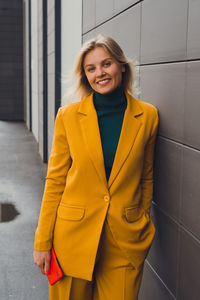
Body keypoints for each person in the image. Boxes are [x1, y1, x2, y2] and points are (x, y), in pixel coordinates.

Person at [33, 34, 159, 300]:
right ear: (84, 75)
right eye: (91, 68)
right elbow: (55, 181)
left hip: (124, 240)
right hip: (72, 240)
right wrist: (42, 242)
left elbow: (146, 175)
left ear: (121, 66)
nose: (99, 73)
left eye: (106, 64)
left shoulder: (147, 115)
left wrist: (142, 219)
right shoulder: (68, 116)